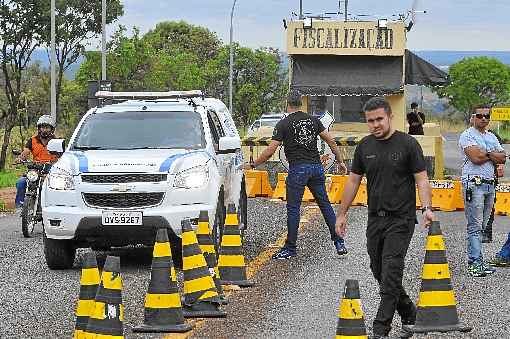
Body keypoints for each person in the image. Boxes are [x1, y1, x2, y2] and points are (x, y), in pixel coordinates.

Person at [335, 97, 434, 339]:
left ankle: (380, 330)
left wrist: (427, 208)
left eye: (379, 119)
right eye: (370, 121)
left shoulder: (408, 144)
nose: (375, 124)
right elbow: (353, 181)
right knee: (378, 271)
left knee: (391, 273)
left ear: (389, 116)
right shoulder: (365, 147)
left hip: (401, 219)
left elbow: (422, 179)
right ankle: (410, 312)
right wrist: (342, 213)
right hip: (374, 220)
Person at [242, 89, 348, 259]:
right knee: (325, 205)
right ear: (301, 103)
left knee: (293, 209)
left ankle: (290, 248)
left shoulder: (284, 124)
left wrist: (253, 164)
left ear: (287, 103)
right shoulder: (313, 120)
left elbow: (270, 151)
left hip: (298, 169)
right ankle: (339, 242)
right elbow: (330, 140)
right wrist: (340, 161)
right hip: (316, 168)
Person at [458, 105, 506, 277]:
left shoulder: (491, 136)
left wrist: (486, 153)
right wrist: (491, 154)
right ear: (473, 117)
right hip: (474, 184)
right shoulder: (467, 135)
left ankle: (479, 260)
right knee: (475, 226)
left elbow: (503, 158)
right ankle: (474, 263)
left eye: (487, 116)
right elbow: (476, 158)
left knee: (483, 226)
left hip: (489, 184)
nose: (484, 119)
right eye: (480, 116)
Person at [15, 115, 58, 208]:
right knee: (21, 182)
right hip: (35, 170)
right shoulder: (32, 140)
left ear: (52, 129)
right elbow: (25, 152)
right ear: (39, 128)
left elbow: (63, 156)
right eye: (42, 127)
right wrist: (20, 159)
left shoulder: (56, 141)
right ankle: (20, 206)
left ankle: (52, 206)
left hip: (51, 171)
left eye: (47, 127)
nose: (44, 130)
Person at [481, 129, 505, 243]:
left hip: (491, 177)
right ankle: (477, 233)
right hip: (474, 177)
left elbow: (501, 155)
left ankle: (487, 233)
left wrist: (499, 165)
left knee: (488, 205)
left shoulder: (493, 136)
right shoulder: (470, 136)